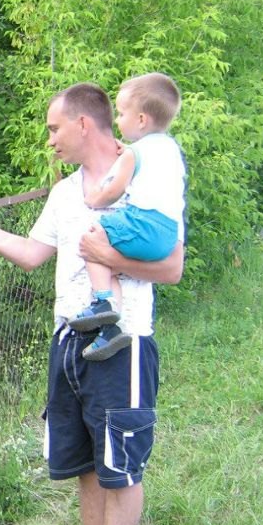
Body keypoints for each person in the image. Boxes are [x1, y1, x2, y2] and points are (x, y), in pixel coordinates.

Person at [0, 82, 184, 525]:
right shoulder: (65, 192)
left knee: (120, 464)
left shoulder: (145, 173)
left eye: (54, 129)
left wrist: (106, 256)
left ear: (83, 124)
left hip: (123, 343)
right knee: (87, 463)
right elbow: (32, 254)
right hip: (69, 340)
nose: (49, 140)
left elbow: (171, 267)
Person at [70, 73, 187, 361]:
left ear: (141, 120)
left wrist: (94, 198)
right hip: (167, 233)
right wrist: (128, 153)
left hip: (142, 223)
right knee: (109, 266)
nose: (118, 120)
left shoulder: (133, 154)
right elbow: (148, 165)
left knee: (93, 239)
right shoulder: (171, 149)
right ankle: (110, 330)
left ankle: (103, 302)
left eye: (122, 114)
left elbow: (114, 190)